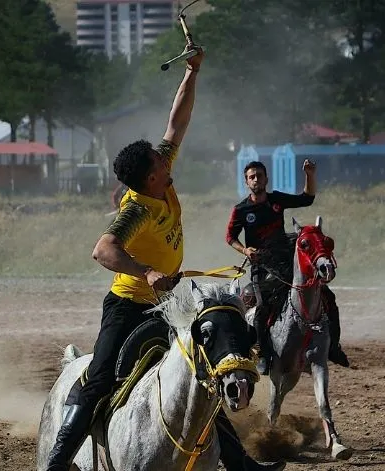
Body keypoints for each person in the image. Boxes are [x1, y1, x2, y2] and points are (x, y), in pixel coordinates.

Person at [44, 45, 285, 471]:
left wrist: (192, 72)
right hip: (126, 307)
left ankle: (239, 462)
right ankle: (57, 462)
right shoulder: (137, 209)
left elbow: (177, 123)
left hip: (165, 306)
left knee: (201, 373)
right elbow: (103, 250)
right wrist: (147, 271)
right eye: (160, 160)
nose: (167, 156)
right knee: (98, 380)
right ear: (148, 177)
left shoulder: (160, 178)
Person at [225, 160, 349, 375]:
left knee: (328, 297)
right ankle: (264, 354)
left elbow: (307, 199)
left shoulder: (277, 200)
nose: (256, 180)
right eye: (252, 177)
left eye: (260, 176)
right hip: (262, 266)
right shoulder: (241, 210)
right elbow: (230, 237)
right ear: (246, 181)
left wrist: (310, 174)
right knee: (263, 308)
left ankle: (334, 347)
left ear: (266, 179)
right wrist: (245, 250)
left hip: (287, 261)